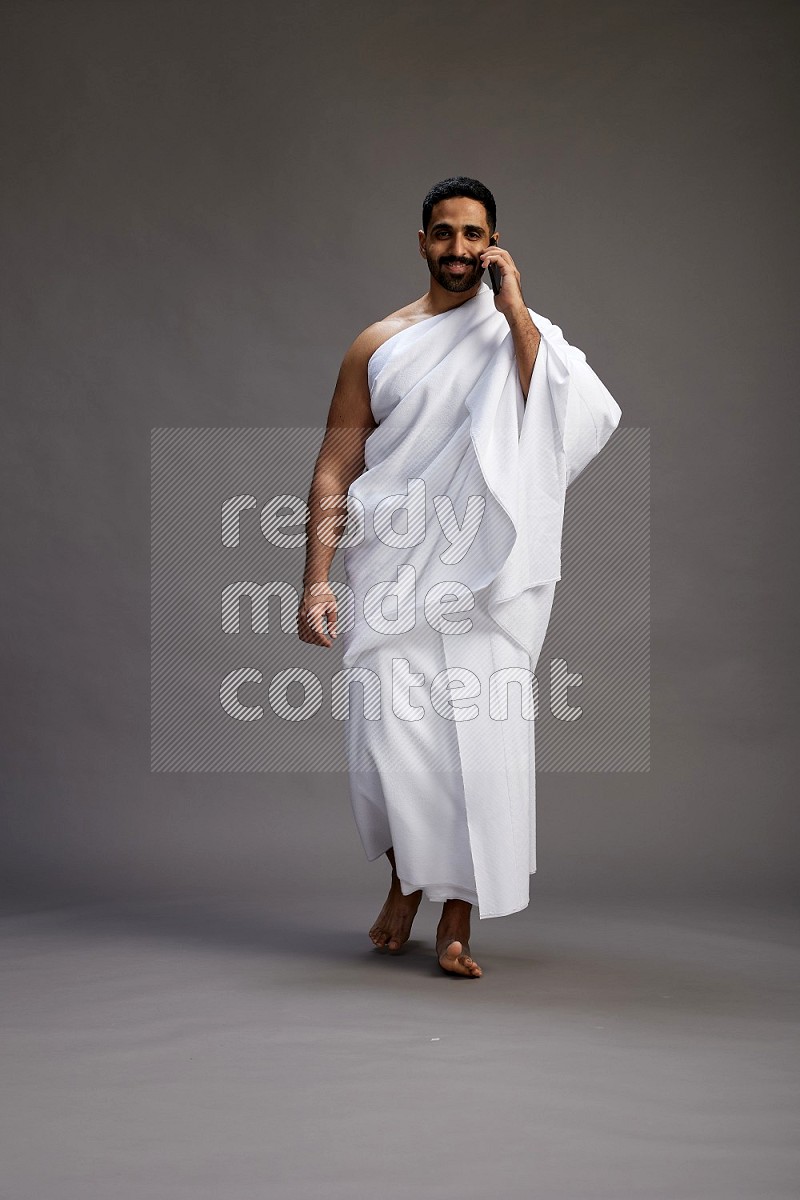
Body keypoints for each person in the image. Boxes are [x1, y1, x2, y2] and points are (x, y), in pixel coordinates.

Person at [298, 177, 621, 978]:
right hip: (396, 567)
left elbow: (575, 418)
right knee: (393, 739)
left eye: (474, 236)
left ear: (495, 243)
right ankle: (406, 877)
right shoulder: (378, 343)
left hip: (486, 577)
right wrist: (315, 579)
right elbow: (336, 466)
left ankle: (455, 920)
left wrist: (514, 311)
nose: (459, 251)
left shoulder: (520, 333)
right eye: (444, 234)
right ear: (421, 243)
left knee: (479, 742)